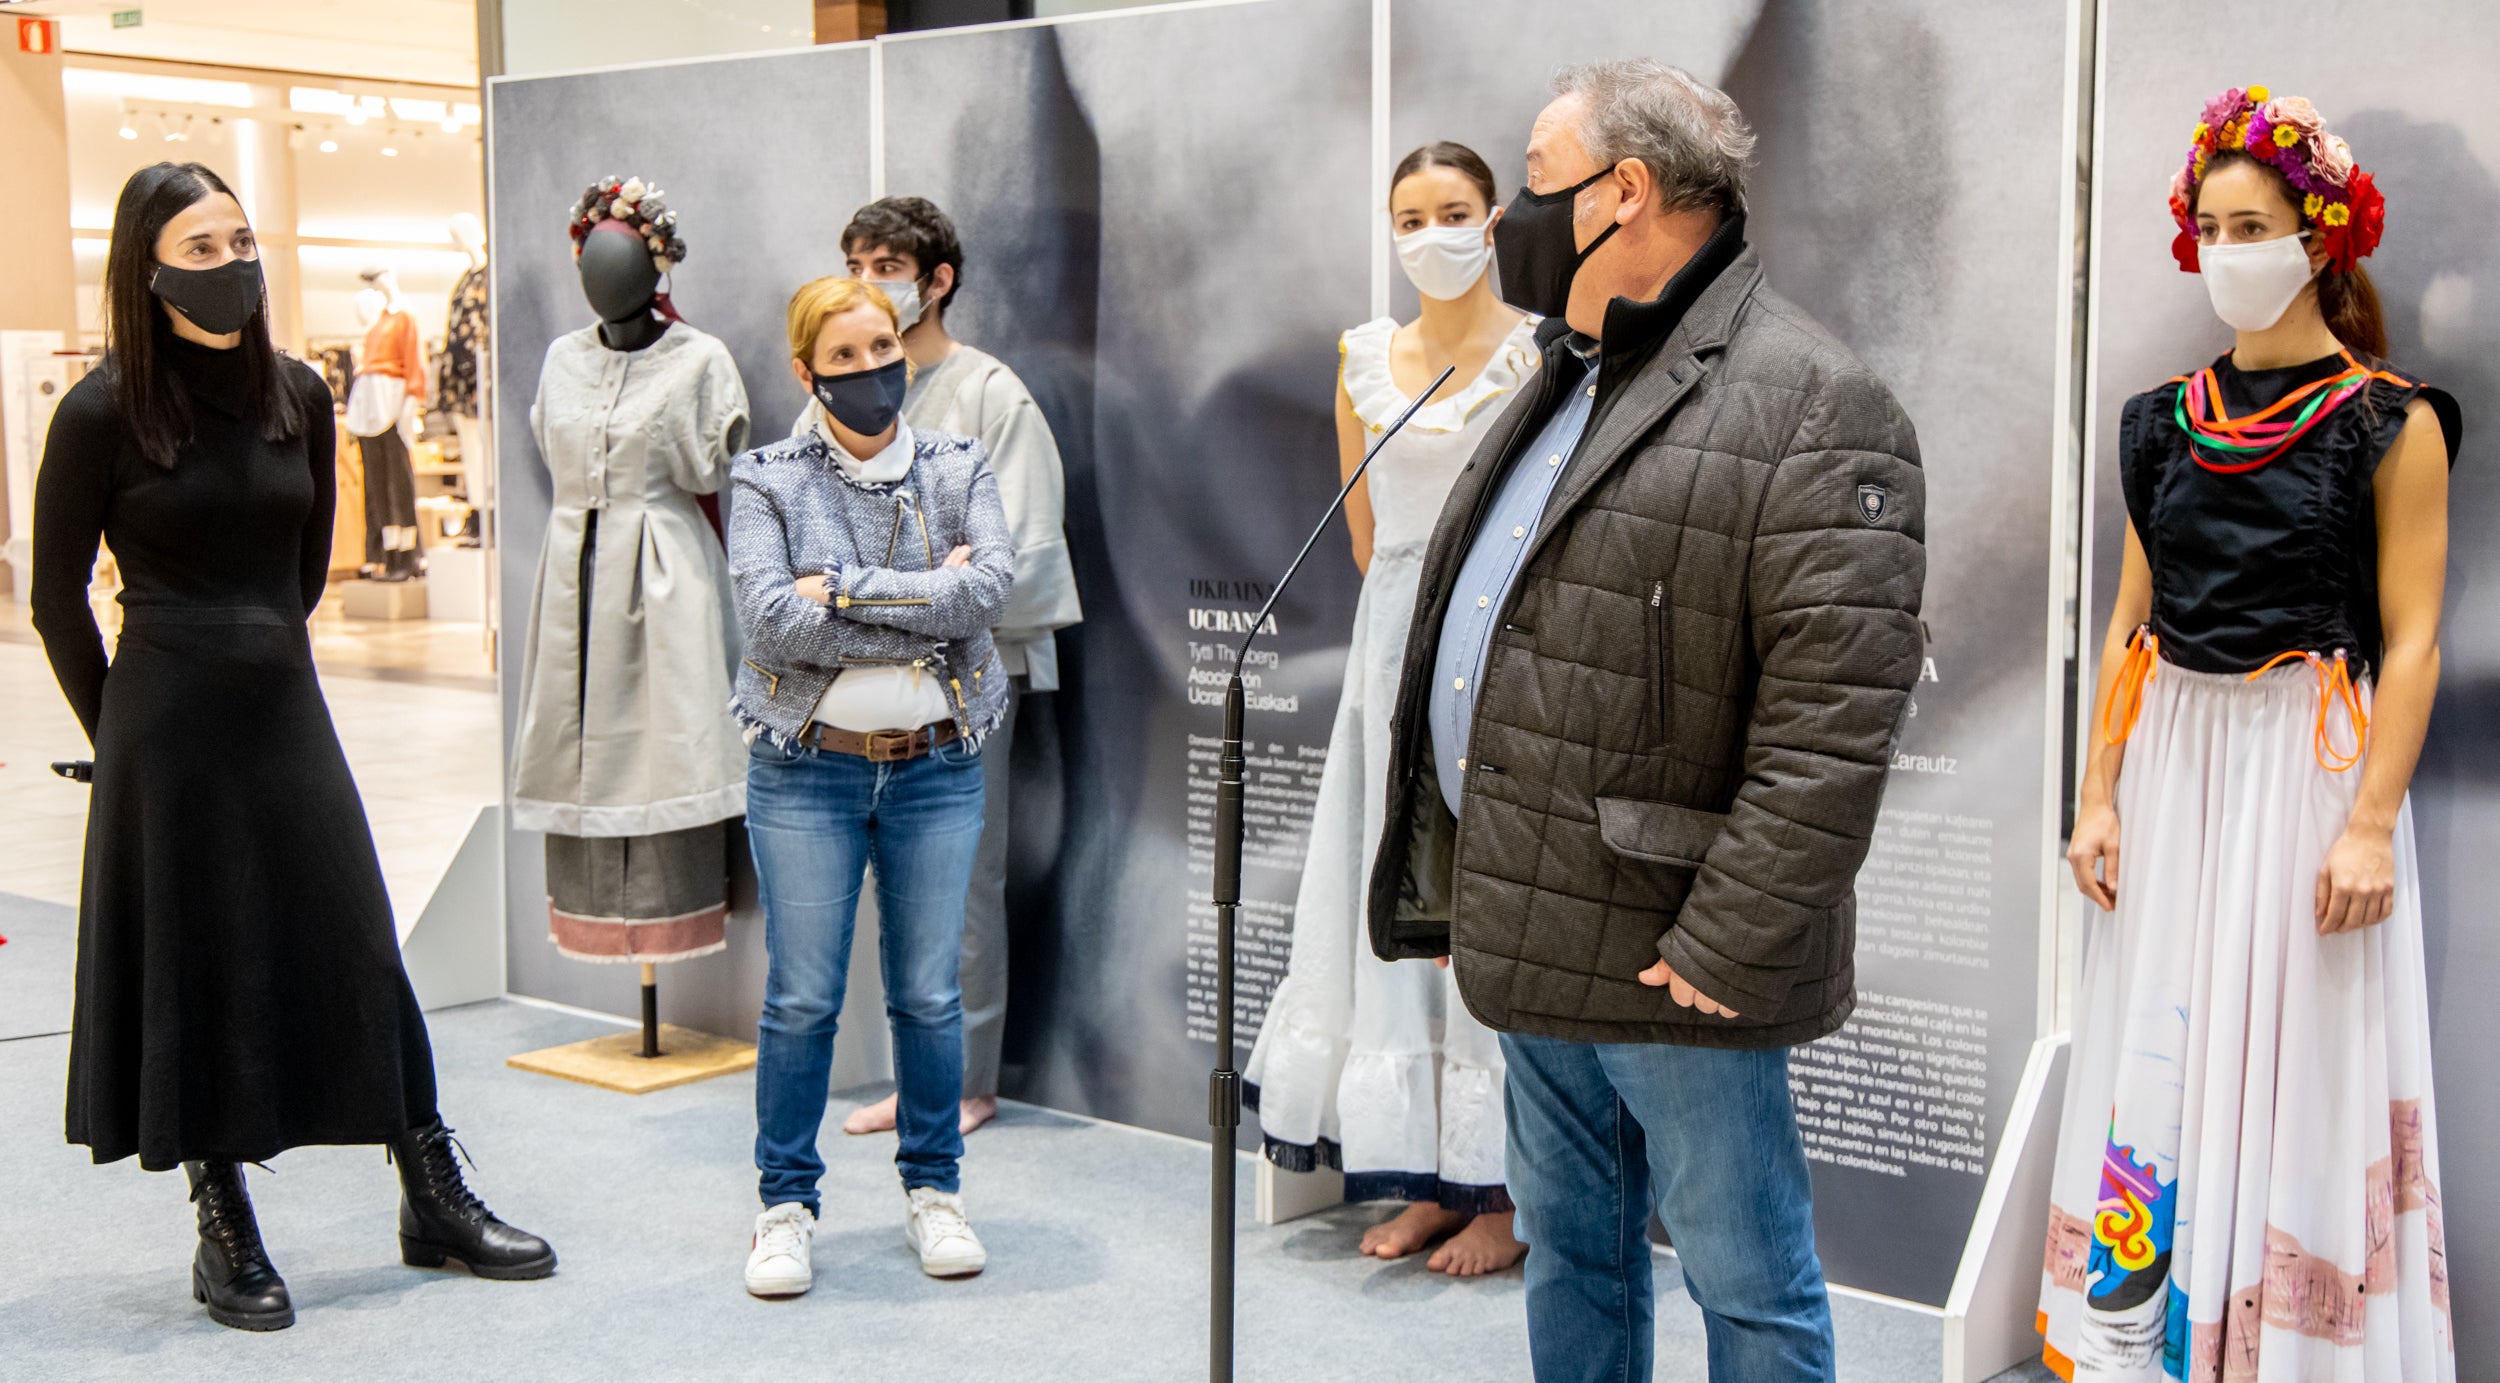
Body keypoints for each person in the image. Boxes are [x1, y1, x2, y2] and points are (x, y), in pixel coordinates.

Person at [1364, 63, 1927, 1382]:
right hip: (1537, 915)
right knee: (1572, 1250)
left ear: (1623, 192)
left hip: (1676, 952)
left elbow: (1837, 720)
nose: (1508, 220)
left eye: (1534, 184)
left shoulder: (1813, 399)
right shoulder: (1569, 368)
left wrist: (1729, 938)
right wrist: (1465, 880)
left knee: (1746, 1282)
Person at [29, 162, 552, 1335]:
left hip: (282, 702)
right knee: (196, 955)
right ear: (146, 270)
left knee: (356, 935)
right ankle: (224, 1221)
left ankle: (430, 1187)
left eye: (240, 241)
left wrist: (256, 644)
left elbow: (307, 570)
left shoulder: (301, 394)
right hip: (163, 717)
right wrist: (118, 735)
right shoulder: (101, 411)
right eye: (199, 250)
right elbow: (56, 600)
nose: (231, 266)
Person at [2042, 86, 2458, 1381]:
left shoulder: (2392, 423)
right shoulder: (2159, 421)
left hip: (2304, 770)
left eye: (2253, 226)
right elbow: (2129, 624)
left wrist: (2372, 824)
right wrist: (2097, 794)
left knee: (2297, 1052)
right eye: (2211, 227)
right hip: (2174, 767)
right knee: (2162, 1040)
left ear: (2318, 237)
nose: (2227, 251)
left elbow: (2415, 640)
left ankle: (2284, 1346)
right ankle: (2150, 1333)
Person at [1245, 141, 1540, 1277]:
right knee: (1394, 901)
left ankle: (1504, 1196)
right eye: (1409, 218)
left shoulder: (1542, 355)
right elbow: (1368, 538)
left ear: (1493, 218)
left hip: (1500, 647)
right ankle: (1426, 1174)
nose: (1430, 235)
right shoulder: (1365, 359)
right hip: (1390, 657)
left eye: (1452, 211)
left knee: (1482, 899)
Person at [729, 275, 1014, 1296]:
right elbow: (771, 621)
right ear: (806, 372)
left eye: (881, 348)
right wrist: (929, 600)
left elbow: (989, 591)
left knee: (929, 996)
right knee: (801, 998)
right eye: (843, 357)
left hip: (938, 765)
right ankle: (784, 1207)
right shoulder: (765, 478)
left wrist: (845, 589)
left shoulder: (958, 462)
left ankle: (935, 1190)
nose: (868, 370)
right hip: (806, 771)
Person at [804, 197, 1082, 1141]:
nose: (867, 280)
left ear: (938, 279)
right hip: (859, 676)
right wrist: (916, 580)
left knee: (959, 878)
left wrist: (886, 588)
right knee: (890, 877)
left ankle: (965, 1083)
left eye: (887, 265)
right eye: (854, 262)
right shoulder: (834, 395)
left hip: (967, 676)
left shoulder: (989, 396)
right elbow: (805, 540)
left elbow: (1017, 558)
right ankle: (913, 1074)